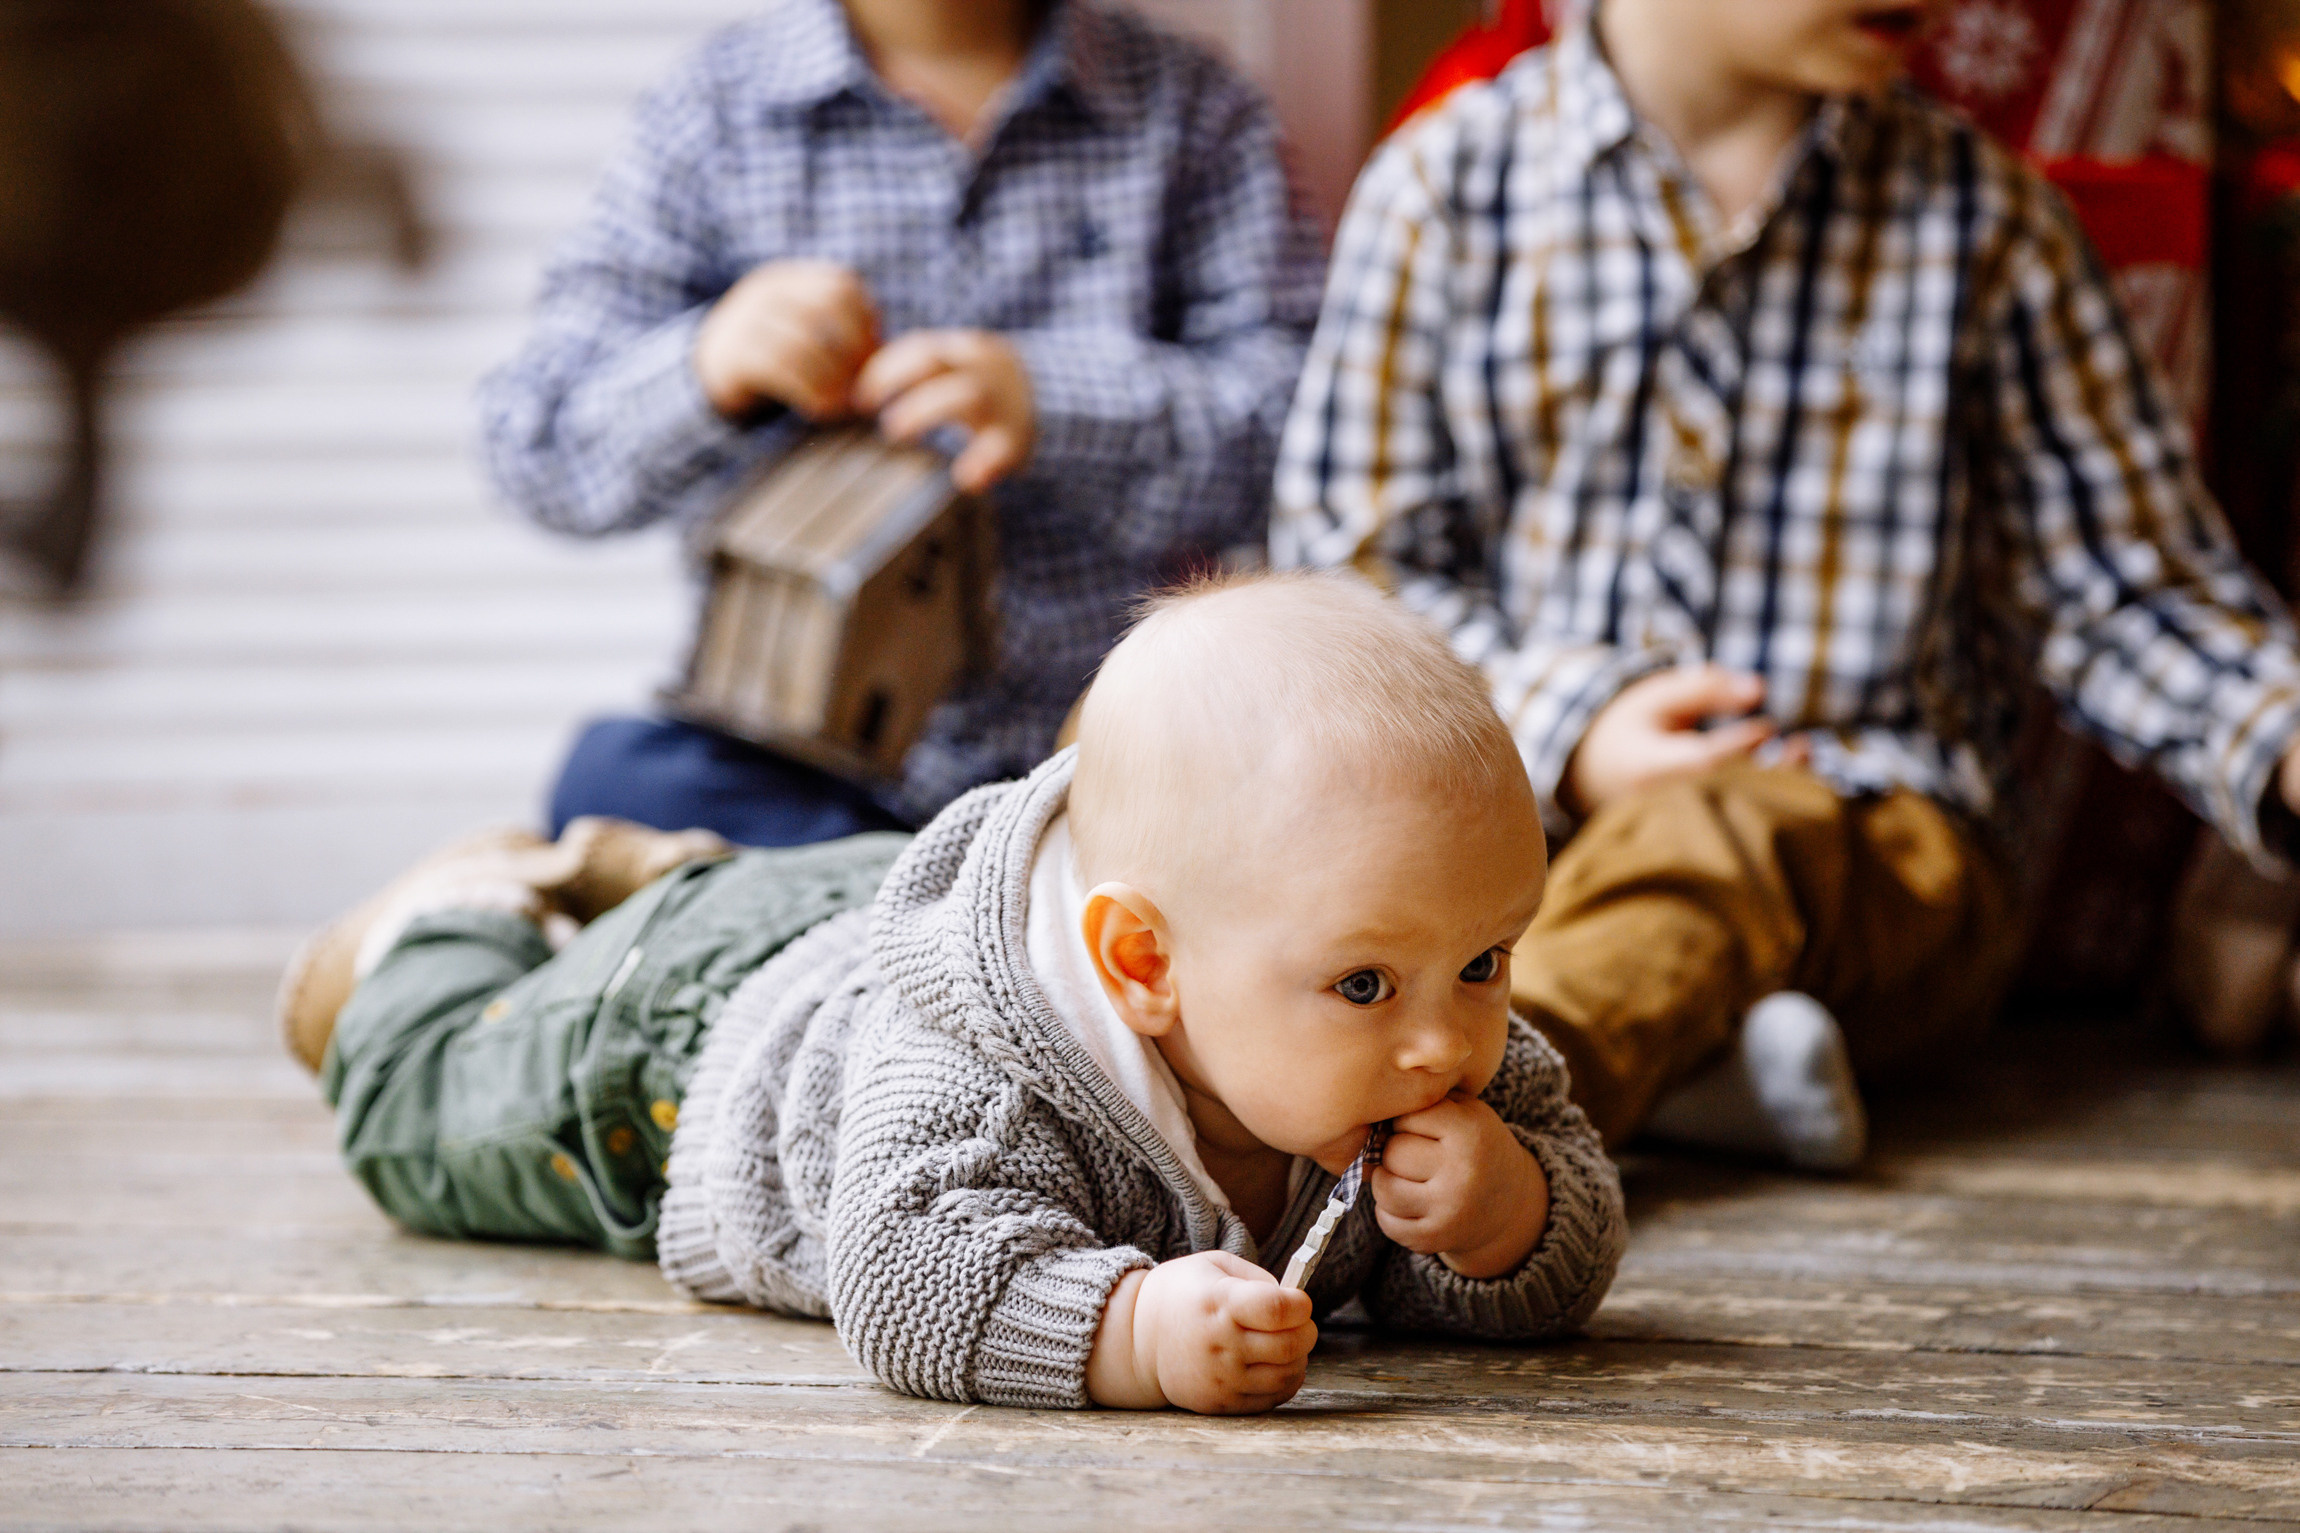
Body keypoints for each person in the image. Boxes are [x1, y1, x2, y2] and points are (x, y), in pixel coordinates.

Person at [1273, 0, 2300, 1169]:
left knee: (1717, 841)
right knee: (1202, 770)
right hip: (1514, 850)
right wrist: (1571, 724)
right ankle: (1702, 1067)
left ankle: (1474, 1135)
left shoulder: (1982, 221)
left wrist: (2276, 735)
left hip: (1874, 843)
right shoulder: (1443, 190)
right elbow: (1348, 583)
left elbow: (2124, 585)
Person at [273, 573, 1625, 1415]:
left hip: (846, 904)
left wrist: (1510, 1216)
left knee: (744, 892)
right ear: (1145, 968)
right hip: (677, 1050)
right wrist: (1127, 1332)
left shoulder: (1417, 1038)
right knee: (418, 1114)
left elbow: (1567, 1189)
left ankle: (654, 871)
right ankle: (457, 918)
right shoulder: (981, 1082)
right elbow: (899, 1268)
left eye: (1488, 960)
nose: (1447, 1036)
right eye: (1367, 982)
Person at [479, 0, 1324, 846]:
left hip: (1106, 740)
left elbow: (1306, 437)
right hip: (798, 760)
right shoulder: (714, 115)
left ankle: (929, 904)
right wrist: (704, 366)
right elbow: (536, 448)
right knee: (615, 778)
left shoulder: (1193, 108)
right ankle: (964, 906)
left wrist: (1054, 402)